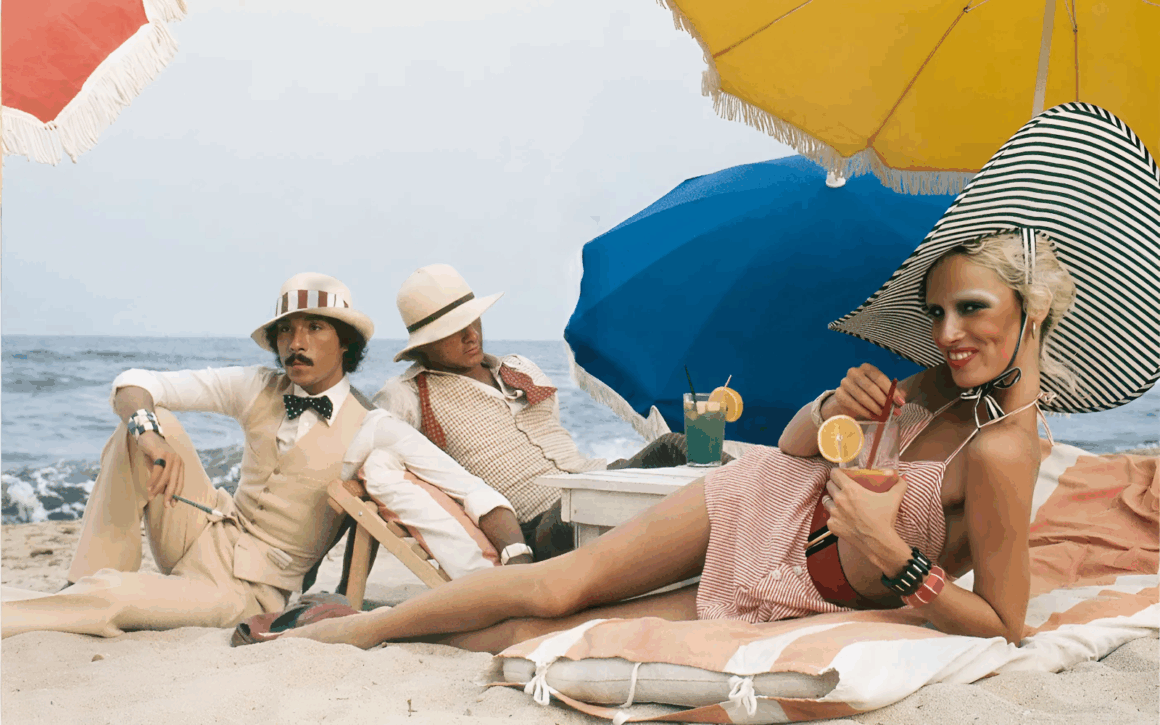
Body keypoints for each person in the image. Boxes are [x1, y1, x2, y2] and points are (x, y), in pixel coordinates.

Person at [268, 106, 1160, 653]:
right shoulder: (937, 384)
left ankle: (360, 631)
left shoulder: (1005, 451)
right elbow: (801, 450)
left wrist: (898, 558)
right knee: (559, 585)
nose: (947, 333)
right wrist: (827, 405)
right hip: (759, 496)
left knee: (567, 630)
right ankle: (349, 631)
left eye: (969, 309)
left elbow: (1002, 622)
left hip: (807, 581)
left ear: (1032, 310)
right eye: (936, 313)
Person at [1, 273, 526, 639]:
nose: (295, 343)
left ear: (344, 343)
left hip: (249, 593)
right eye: (286, 330)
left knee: (115, 598)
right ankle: (84, 576)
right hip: (202, 531)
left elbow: (474, 491)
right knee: (149, 422)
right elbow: (135, 381)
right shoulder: (257, 386)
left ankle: (51, 603)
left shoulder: (373, 427)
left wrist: (516, 558)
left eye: (315, 328)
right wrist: (149, 434)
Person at [374, 264, 699, 561]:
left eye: (473, 319)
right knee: (658, 500)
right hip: (539, 523)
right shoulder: (408, 395)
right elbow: (375, 465)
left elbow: (554, 432)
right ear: (423, 345)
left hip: (596, 480)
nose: (471, 334)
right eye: (453, 329)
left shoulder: (519, 368)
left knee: (674, 447)